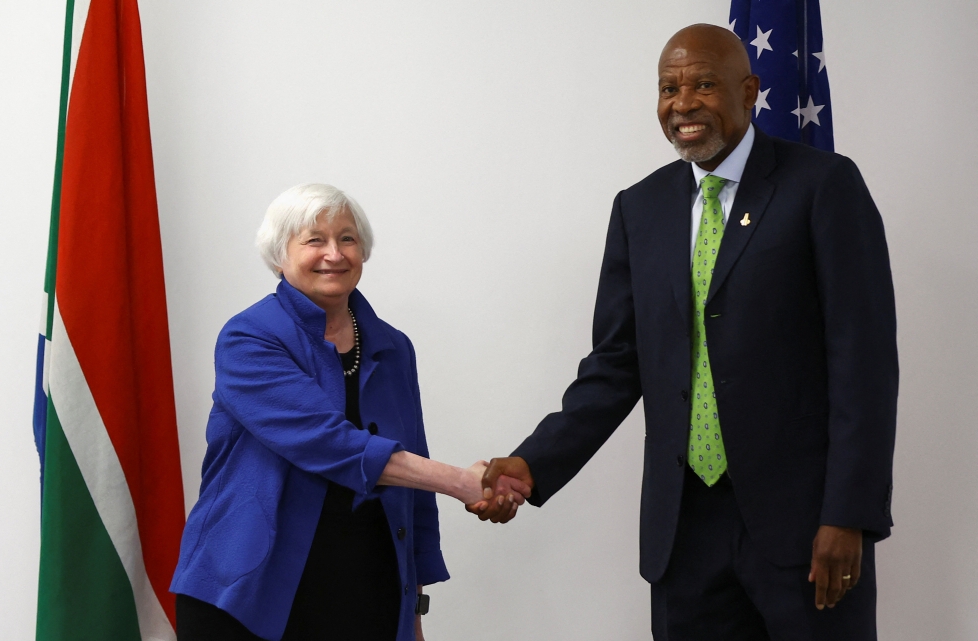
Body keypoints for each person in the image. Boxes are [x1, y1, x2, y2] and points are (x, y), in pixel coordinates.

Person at [471, 24, 897, 641]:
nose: (683, 104)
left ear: (749, 91)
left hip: (804, 528)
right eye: (669, 88)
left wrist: (850, 515)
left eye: (703, 84)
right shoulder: (638, 208)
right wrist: (533, 463)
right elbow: (617, 364)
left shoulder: (823, 186)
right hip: (684, 532)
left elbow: (864, 364)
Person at [170, 183, 528, 641]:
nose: (334, 254)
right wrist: (460, 481)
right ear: (280, 256)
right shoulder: (248, 339)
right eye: (314, 240)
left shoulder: (393, 346)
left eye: (347, 238)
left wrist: (412, 612)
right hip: (247, 592)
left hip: (365, 590)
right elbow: (328, 442)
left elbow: (411, 490)